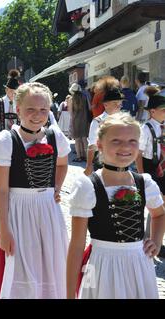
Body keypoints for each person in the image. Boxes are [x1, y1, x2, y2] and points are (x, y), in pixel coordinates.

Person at [0, 82, 70, 299]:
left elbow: (62, 164)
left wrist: (56, 187)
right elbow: (1, 190)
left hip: (48, 212)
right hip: (18, 212)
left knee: (50, 264)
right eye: (30, 109)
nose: (37, 115)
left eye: (43, 110)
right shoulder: (7, 141)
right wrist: (4, 230)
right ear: (18, 109)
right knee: (21, 267)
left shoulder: (55, 136)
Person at [67, 112, 165, 298]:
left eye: (132, 141)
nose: (125, 147)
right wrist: (70, 294)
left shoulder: (145, 183)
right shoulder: (88, 186)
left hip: (139, 263)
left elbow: (159, 214)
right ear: (100, 144)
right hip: (101, 263)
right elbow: (77, 245)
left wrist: (157, 241)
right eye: (116, 141)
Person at [136, 86, 165, 258]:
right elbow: (138, 154)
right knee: (155, 204)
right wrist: (142, 175)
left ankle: (157, 241)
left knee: (161, 206)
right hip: (150, 169)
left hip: (163, 169)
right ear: (152, 111)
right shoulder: (146, 128)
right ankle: (149, 241)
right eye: (163, 110)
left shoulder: (163, 126)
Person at [84, 77, 123, 176]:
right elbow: (92, 145)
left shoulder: (124, 120)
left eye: (120, 103)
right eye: (115, 103)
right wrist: (89, 165)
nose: (119, 105)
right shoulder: (97, 122)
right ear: (105, 105)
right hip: (103, 161)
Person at [70, 84, 90, 162]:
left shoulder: (73, 98)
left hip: (76, 120)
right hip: (84, 119)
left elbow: (72, 112)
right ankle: (87, 157)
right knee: (84, 139)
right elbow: (89, 107)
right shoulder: (85, 97)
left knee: (77, 139)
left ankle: (79, 157)